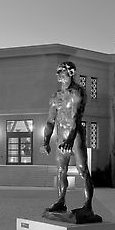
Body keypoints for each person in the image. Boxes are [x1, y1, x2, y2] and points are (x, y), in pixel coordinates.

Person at [41, 62, 94, 215]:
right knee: (60, 170)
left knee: (83, 170)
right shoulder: (55, 97)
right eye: (57, 71)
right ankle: (60, 201)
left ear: (70, 73)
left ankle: (87, 206)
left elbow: (76, 117)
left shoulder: (77, 92)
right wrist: (46, 141)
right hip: (61, 135)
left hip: (75, 134)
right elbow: (50, 121)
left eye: (61, 71)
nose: (57, 74)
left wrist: (70, 139)